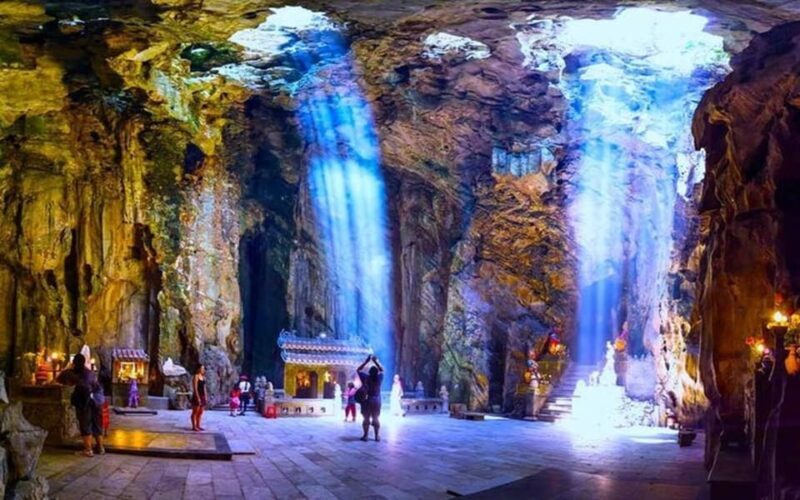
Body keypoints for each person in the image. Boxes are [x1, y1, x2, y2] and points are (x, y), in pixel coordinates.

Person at [57, 353, 105, 457]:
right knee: (97, 424)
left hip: (86, 401)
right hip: (97, 400)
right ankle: (100, 448)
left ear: (74, 363)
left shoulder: (74, 373)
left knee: (85, 424)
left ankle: (88, 450)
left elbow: (59, 378)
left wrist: (68, 368)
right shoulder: (90, 372)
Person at [357, 355, 384, 442]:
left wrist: (366, 361)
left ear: (369, 372)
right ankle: (376, 436)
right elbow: (382, 370)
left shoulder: (366, 378)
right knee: (376, 418)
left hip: (367, 400)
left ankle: (365, 436)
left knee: (366, 418)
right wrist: (375, 361)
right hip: (377, 401)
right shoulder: (379, 378)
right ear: (376, 373)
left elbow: (358, 370)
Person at [191, 365, 207, 431]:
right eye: (201, 368)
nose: (203, 369)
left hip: (202, 395)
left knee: (200, 412)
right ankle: (194, 426)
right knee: (195, 412)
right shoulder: (196, 376)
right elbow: (195, 388)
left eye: (203, 368)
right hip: (197, 395)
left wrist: (206, 396)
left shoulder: (203, 377)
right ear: (198, 369)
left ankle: (198, 425)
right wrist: (198, 397)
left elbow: (204, 388)